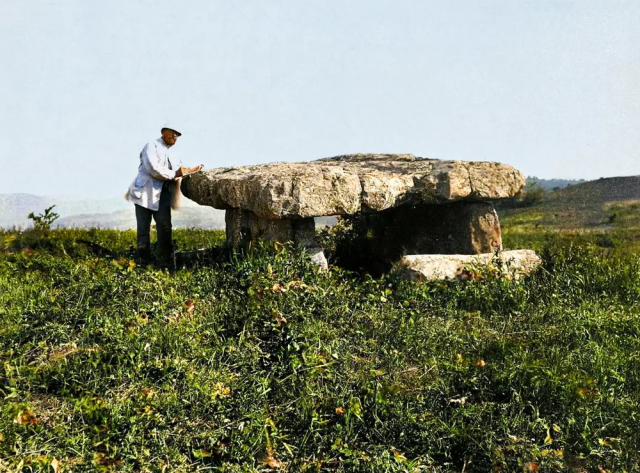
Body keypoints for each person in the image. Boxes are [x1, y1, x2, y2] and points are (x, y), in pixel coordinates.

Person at [126, 123, 201, 268]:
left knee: (165, 228)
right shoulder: (151, 146)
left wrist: (191, 170)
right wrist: (176, 173)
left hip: (163, 195)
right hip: (144, 193)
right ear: (164, 132)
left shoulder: (173, 153)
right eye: (173, 134)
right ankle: (143, 261)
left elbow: (180, 169)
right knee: (143, 229)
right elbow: (154, 169)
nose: (175, 138)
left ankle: (165, 261)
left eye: (177, 136)